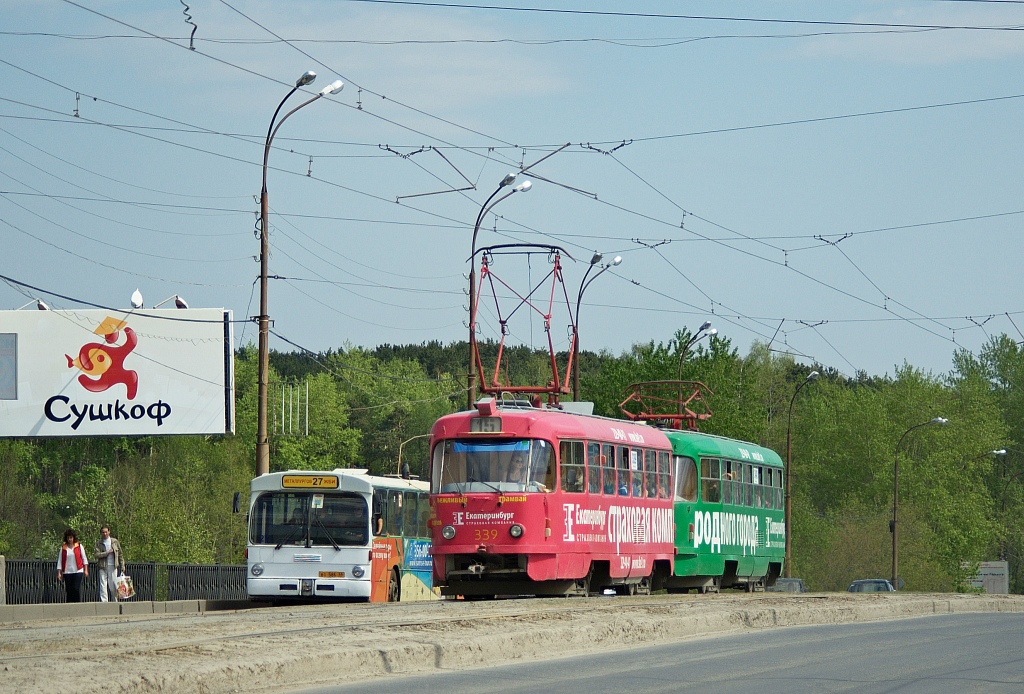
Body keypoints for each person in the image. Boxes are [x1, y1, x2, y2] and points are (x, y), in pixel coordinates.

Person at [94, 525, 126, 602]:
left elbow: (120, 554)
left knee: (113, 585)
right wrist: (107, 553)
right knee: (103, 585)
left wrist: (122, 565)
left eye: (106, 532)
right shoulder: (99, 543)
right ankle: (104, 602)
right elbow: (96, 555)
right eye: (103, 532)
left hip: (113, 566)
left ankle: (115, 601)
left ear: (109, 532)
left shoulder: (114, 542)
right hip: (103, 566)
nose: (104, 534)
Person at [57, 528, 89, 603]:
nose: (69, 539)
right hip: (67, 571)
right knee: (69, 589)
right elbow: (60, 560)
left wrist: (86, 570)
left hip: (78, 570)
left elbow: (84, 558)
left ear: (73, 538)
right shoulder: (63, 548)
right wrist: (59, 573)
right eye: (68, 538)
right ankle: (69, 604)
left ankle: (77, 604)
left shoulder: (79, 546)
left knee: (76, 588)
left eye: (71, 537)